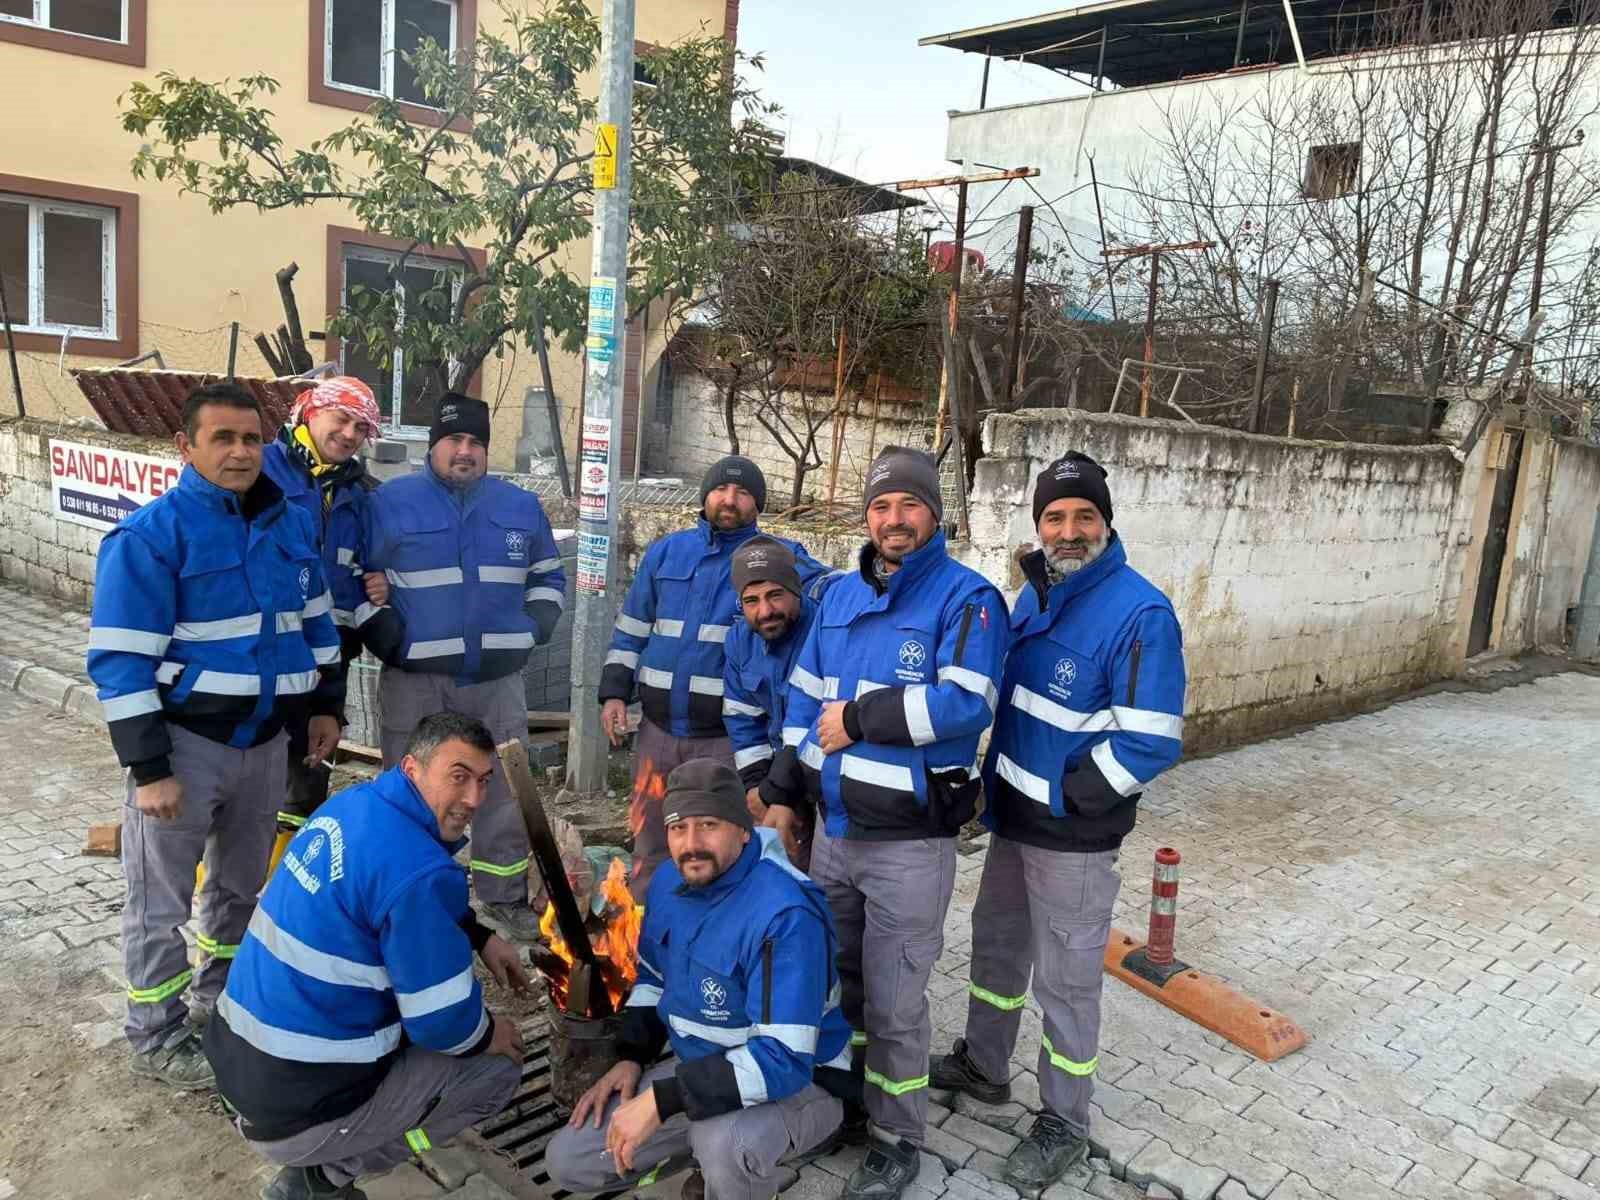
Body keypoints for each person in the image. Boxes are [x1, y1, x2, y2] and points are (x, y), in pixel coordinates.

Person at [931, 452, 1186, 1196]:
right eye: (1054, 518)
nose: (1068, 531)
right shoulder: (1034, 597)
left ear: (1106, 523)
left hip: (1073, 837)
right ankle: (984, 1066)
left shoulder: (1140, 613)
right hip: (1012, 823)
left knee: (1068, 983)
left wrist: (1071, 797)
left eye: (1083, 517)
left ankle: (1065, 1122)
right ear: (1039, 526)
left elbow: (1152, 739)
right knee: (998, 949)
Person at [763, 446, 1009, 1200]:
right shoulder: (837, 598)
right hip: (835, 836)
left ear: (934, 514)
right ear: (865, 516)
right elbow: (805, 703)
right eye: (880, 506)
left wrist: (861, 718)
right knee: (838, 985)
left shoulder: (968, 600)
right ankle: (848, 1105)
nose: (893, 519)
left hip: (911, 844)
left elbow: (967, 703)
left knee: (898, 1003)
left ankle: (899, 1136)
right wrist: (786, 790)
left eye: (908, 505)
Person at [86, 381, 345, 1090]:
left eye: (250, 438)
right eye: (222, 438)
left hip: (266, 748)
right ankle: (156, 1031)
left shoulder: (290, 525)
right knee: (159, 901)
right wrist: (149, 771)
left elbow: (318, 626)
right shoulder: (151, 537)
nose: (239, 451)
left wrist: (326, 705)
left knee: (239, 891)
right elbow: (120, 663)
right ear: (186, 447)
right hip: (185, 751)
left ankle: (220, 1002)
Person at [206, 712, 530, 1200]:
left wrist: (478, 936)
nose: (473, 799)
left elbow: (388, 898)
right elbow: (442, 1024)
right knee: (495, 1069)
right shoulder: (418, 872)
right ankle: (324, 1177)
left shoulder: (353, 806)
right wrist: (489, 1033)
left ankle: (324, 1153)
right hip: (293, 1109)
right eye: (458, 776)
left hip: (238, 1067)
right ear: (412, 768)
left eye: (483, 781)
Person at [544, 760, 852, 1200]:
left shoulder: (784, 913)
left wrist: (664, 1100)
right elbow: (652, 977)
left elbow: (784, 1058)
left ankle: (735, 1165)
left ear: (743, 831)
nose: (691, 844)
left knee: (727, 1145)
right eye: (678, 827)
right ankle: (703, 1158)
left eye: (708, 825)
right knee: (570, 1160)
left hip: (803, 1082)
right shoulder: (670, 880)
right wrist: (632, 1056)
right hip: (704, 1066)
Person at [332, 392, 565, 941]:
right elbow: (350, 574)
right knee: (411, 790)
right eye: (453, 441)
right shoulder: (390, 502)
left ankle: (503, 898)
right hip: (416, 682)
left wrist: (535, 627)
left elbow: (550, 577)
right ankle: (412, 896)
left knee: (503, 790)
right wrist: (382, 628)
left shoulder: (519, 507)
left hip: (497, 682)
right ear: (432, 446)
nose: (464, 452)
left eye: (475, 443)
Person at [598, 456, 825, 900]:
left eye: (743, 493)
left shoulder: (772, 558)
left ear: (757, 505)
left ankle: (716, 932)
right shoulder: (667, 552)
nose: (730, 500)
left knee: (718, 845)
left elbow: (827, 591)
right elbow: (632, 627)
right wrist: (613, 693)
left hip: (726, 741)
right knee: (653, 838)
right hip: (658, 733)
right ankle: (648, 934)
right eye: (721, 490)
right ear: (705, 495)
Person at [261, 375, 383, 833]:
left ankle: (289, 888)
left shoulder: (360, 492)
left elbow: (366, 568)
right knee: (249, 783)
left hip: (328, 664)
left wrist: (378, 583)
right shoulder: (262, 470)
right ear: (311, 411)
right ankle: (229, 893)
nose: (350, 434)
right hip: (263, 660)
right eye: (342, 419)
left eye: (361, 428)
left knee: (307, 784)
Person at [721, 535, 828, 867]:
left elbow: (817, 723)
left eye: (775, 595)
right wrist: (756, 789)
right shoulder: (740, 640)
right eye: (751, 600)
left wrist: (781, 795)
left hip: (824, 783)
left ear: (795, 590)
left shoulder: (826, 629)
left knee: (824, 887)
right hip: (774, 782)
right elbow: (743, 718)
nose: (765, 611)